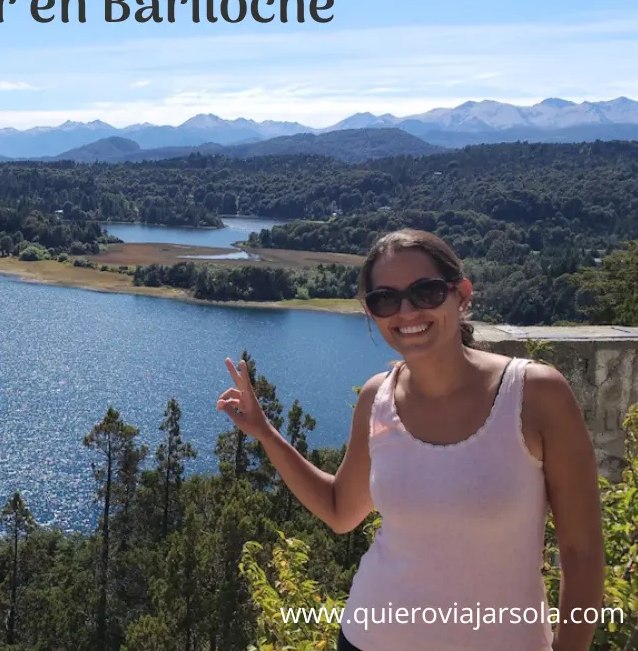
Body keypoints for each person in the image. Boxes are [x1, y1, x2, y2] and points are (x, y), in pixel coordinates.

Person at [217, 228, 605, 651]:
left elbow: (582, 552)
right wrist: (265, 432)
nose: (406, 311)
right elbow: (340, 510)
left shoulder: (534, 394)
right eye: (385, 299)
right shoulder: (376, 399)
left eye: (426, 292)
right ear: (372, 313)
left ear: (462, 295)